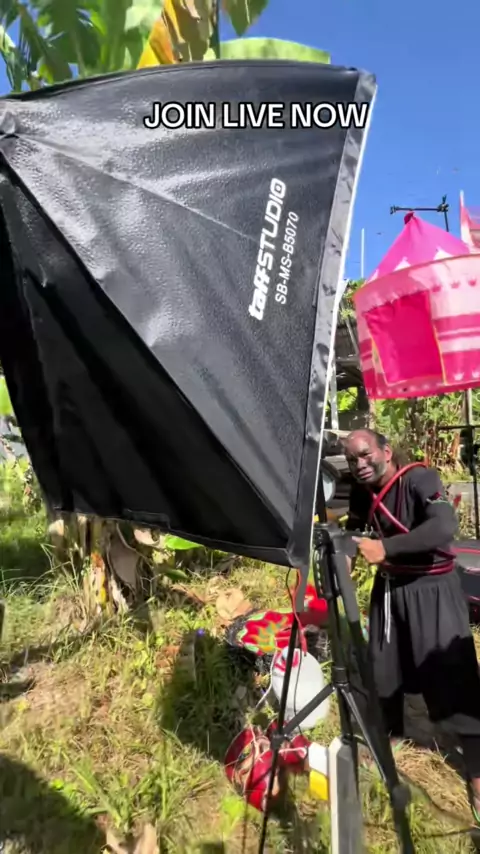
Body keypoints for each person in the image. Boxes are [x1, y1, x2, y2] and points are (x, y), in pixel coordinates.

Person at [343, 428, 480, 822]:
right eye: (352, 459)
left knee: (453, 678)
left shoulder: (420, 479)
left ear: (387, 451)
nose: (359, 464)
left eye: (366, 454)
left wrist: (385, 547)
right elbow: (355, 527)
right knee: (384, 669)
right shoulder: (360, 490)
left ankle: (477, 770)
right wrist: (347, 555)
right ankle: (391, 736)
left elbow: (443, 527)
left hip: (433, 591)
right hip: (390, 590)